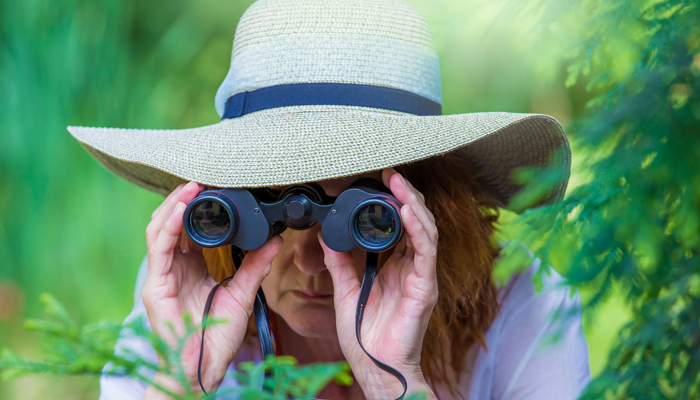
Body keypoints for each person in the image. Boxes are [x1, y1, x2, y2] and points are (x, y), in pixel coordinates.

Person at [67, 0, 590, 399]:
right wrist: (176, 379)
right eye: (267, 210)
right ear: (224, 208)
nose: (310, 259)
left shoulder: (524, 304)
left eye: (364, 218)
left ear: (430, 208)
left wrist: (397, 383)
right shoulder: (191, 287)